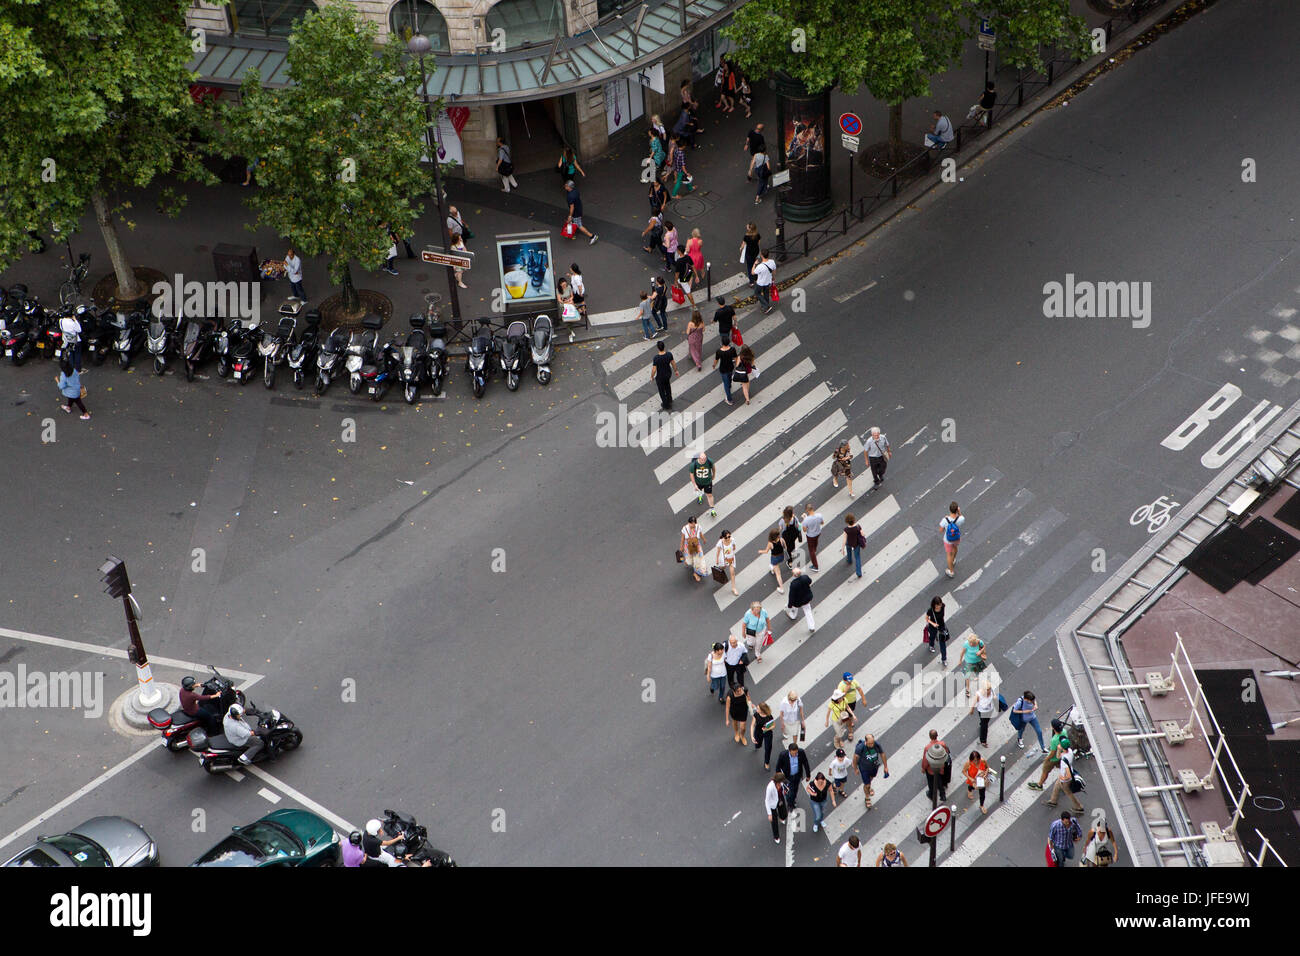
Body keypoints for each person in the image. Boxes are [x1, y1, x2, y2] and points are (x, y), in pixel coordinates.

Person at [1028, 719, 1074, 791]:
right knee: (1064, 768)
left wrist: (1046, 759)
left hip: (1053, 759)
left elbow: (1052, 753)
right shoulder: (1064, 732)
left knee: (1045, 771)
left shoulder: (1054, 740)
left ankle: (1039, 785)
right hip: (1062, 756)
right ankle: (1069, 781)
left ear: (1053, 728)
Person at [1044, 746, 1085, 812]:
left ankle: (1078, 806)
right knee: (1057, 784)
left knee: (1068, 792)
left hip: (1065, 779)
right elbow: (1058, 756)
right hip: (1064, 774)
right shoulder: (1070, 751)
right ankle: (1053, 800)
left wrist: (1062, 778)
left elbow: (1068, 775)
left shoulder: (1064, 760)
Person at [853, 733, 888, 809]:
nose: (872, 745)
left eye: (872, 743)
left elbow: (882, 754)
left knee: (871, 779)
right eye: (870, 743)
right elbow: (855, 758)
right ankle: (867, 797)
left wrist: (885, 767)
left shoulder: (876, 744)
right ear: (866, 742)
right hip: (864, 768)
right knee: (867, 784)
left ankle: (869, 787)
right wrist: (855, 768)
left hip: (874, 767)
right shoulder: (861, 747)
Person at [775, 741, 810, 809]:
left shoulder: (801, 752)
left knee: (795, 790)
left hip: (797, 775)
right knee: (789, 792)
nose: (795, 755)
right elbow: (778, 767)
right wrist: (780, 779)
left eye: (796, 753)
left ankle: (793, 800)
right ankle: (790, 803)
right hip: (787, 777)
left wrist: (808, 775)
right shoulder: (783, 755)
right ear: (789, 751)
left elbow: (805, 763)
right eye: (793, 753)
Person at [921, 729, 952, 803]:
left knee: (931, 782)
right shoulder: (942, 744)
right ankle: (942, 795)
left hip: (931, 769)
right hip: (940, 767)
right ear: (937, 735)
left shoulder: (928, 747)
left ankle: (931, 795)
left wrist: (923, 768)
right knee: (939, 780)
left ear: (929, 737)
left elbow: (926, 760)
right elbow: (946, 753)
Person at [649, 340, 677, 411]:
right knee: (667, 386)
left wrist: (652, 376)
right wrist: (676, 370)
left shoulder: (656, 358)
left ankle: (666, 404)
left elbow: (654, 370)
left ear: (658, 348)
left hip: (660, 376)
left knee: (661, 390)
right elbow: (673, 363)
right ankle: (669, 399)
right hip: (668, 374)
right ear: (664, 347)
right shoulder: (669, 354)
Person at [785, 565, 815, 631]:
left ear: (794, 575)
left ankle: (793, 616)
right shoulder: (805, 577)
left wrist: (790, 605)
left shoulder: (793, 584)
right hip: (807, 599)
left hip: (798, 601)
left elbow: (791, 596)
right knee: (808, 612)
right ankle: (811, 626)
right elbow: (810, 581)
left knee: (794, 608)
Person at [959, 634, 988, 699]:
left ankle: (976, 676)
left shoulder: (979, 642)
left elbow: (984, 646)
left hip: (978, 661)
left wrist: (980, 651)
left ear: (975, 641)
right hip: (969, 662)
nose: (971, 644)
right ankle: (967, 690)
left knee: (978, 671)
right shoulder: (966, 644)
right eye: (970, 642)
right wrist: (960, 660)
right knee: (967, 676)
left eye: (972, 643)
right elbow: (962, 652)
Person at [758, 529, 787, 593]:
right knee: (774, 565)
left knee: (778, 574)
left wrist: (760, 551)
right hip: (781, 556)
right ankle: (772, 568)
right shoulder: (781, 540)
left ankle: (781, 588)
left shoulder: (770, 543)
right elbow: (785, 547)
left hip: (774, 558)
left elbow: (766, 551)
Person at [941, 501, 964, 577]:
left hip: (948, 540)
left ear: (950, 510)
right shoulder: (960, 519)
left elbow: (940, 530)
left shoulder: (945, 520)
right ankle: (953, 560)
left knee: (949, 555)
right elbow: (962, 517)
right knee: (955, 548)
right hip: (956, 538)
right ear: (957, 510)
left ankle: (951, 571)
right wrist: (959, 512)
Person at [689, 450, 717, 516]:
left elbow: (713, 468)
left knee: (709, 495)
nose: (704, 460)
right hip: (698, 482)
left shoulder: (709, 461)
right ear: (698, 458)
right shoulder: (694, 465)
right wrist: (694, 485)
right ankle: (700, 496)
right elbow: (691, 475)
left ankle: (712, 510)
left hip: (708, 482)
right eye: (702, 459)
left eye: (705, 459)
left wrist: (713, 475)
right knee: (699, 491)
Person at [971, 680, 997, 748]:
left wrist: (995, 698)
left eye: (989, 689)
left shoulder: (991, 690)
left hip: (990, 710)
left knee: (985, 722)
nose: (989, 690)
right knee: (984, 726)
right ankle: (983, 740)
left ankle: (982, 724)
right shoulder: (979, 693)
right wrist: (972, 709)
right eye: (987, 689)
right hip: (982, 711)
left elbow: (995, 696)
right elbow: (974, 701)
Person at [963, 750, 990, 814]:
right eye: (974, 760)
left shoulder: (983, 761)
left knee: (982, 794)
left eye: (977, 759)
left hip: (981, 780)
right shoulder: (968, 764)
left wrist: (985, 774)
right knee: (971, 787)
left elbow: (987, 768)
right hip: (973, 781)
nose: (976, 762)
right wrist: (970, 778)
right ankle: (969, 790)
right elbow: (964, 771)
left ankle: (981, 805)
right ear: (971, 759)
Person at [751, 702, 777, 769]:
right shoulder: (756, 714)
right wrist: (752, 736)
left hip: (767, 733)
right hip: (758, 732)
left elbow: (773, 725)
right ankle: (757, 746)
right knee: (758, 744)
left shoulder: (769, 716)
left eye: (758, 708)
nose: (756, 709)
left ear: (762, 710)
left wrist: (767, 729)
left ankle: (766, 762)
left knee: (768, 748)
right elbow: (752, 725)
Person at [840, 513, 866, 579]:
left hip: (849, 543)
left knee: (849, 551)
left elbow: (844, 539)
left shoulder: (846, 529)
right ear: (854, 520)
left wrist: (842, 549)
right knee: (857, 557)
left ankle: (849, 560)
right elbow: (863, 534)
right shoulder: (858, 527)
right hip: (856, 543)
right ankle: (859, 573)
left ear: (847, 521)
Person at [765, 772, 789, 844]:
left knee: (784, 814)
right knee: (774, 822)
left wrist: (785, 791)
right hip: (773, 804)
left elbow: (784, 787)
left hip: (780, 798)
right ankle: (776, 836)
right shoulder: (770, 787)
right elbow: (767, 800)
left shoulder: (781, 783)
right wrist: (769, 814)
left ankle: (781, 817)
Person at [713, 336, 736, 406]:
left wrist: (714, 365)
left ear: (722, 343)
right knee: (729, 378)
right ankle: (729, 385)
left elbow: (716, 360)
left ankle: (729, 399)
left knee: (725, 384)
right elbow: (735, 358)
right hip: (730, 367)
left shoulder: (719, 351)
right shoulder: (732, 349)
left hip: (723, 369)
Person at [925, 596, 949, 663]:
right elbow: (927, 619)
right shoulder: (930, 610)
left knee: (943, 644)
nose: (939, 607)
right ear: (934, 605)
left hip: (941, 626)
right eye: (937, 605)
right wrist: (933, 624)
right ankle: (931, 645)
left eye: (940, 605)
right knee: (932, 637)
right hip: (933, 626)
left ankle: (944, 659)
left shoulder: (943, 606)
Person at [800, 502, 824, 571]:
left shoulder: (806, 520)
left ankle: (815, 566)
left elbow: (804, 530)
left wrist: (804, 519)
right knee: (816, 542)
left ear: (807, 510)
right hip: (818, 532)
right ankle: (815, 549)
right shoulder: (819, 515)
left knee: (811, 551)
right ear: (812, 508)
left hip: (810, 535)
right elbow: (822, 523)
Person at [714, 529, 738, 596]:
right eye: (726, 537)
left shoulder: (732, 540)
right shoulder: (720, 542)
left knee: (732, 573)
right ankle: (719, 571)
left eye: (729, 536)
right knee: (722, 567)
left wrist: (730, 552)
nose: (728, 538)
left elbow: (734, 547)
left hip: (731, 558)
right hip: (724, 559)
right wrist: (717, 559)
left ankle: (733, 588)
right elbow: (718, 551)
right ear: (723, 537)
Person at [741, 223, 762, 287]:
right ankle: (756, 278)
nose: (746, 227)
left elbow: (743, 244)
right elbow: (758, 243)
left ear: (750, 229)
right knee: (755, 265)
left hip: (749, 253)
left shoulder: (746, 236)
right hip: (756, 252)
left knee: (750, 267)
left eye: (747, 227)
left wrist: (741, 248)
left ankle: (751, 282)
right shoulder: (757, 235)